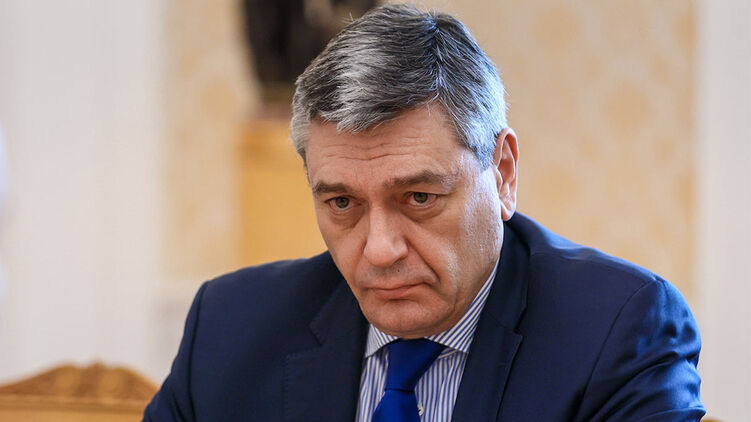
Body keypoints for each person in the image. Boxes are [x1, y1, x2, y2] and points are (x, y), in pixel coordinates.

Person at [144, 4, 704, 421]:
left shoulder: (618, 330)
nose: (380, 250)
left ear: (503, 173)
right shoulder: (230, 328)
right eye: (343, 203)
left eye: (418, 198)